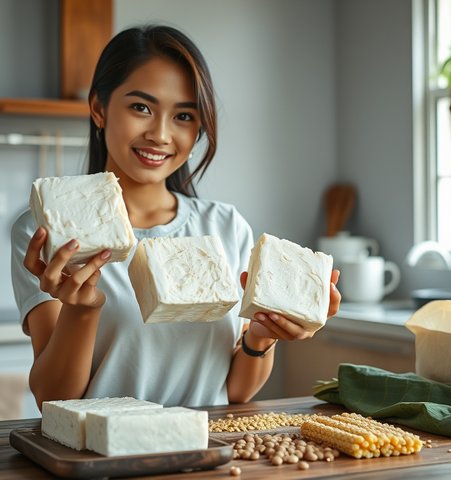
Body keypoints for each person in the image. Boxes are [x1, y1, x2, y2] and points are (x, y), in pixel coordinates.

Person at [11, 25, 341, 410]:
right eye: (141, 108)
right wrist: (81, 310)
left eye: (184, 115)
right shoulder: (46, 230)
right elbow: (54, 399)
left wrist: (261, 338)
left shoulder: (225, 227)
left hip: (208, 458)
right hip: (105, 462)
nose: (161, 134)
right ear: (99, 108)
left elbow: (235, 393)